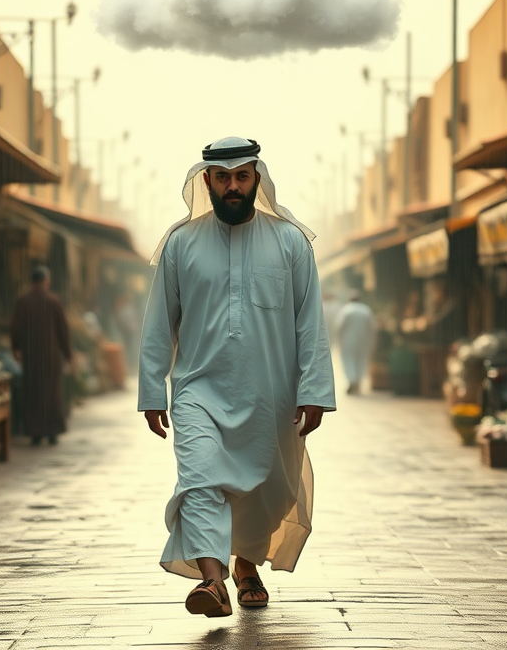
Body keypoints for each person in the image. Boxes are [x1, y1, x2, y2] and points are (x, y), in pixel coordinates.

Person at [139, 136, 335, 619]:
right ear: (206, 181)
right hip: (197, 392)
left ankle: (246, 565)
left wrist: (314, 389)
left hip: (272, 393)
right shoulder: (180, 244)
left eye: (241, 177)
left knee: (267, 489)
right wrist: (152, 391)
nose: (232, 186)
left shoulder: (290, 242)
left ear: (256, 179)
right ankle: (213, 581)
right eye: (222, 177)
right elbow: (159, 322)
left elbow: (310, 322)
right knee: (200, 480)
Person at [10, 265, 73, 445]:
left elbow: (16, 327)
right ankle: (52, 431)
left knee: (34, 392)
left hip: (32, 355)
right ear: (46, 280)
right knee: (51, 392)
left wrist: (16, 348)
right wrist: (68, 354)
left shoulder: (23, 301)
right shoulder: (53, 301)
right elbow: (63, 330)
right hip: (51, 355)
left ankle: (35, 431)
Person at [335, 294, 376, 394]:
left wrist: (339, 341)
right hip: (364, 341)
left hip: (348, 341)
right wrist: (372, 342)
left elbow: (339, 327)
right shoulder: (366, 310)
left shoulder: (345, 310)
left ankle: (351, 380)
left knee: (349, 360)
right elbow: (373, 328)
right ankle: (358, 383)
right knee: (361, 361)